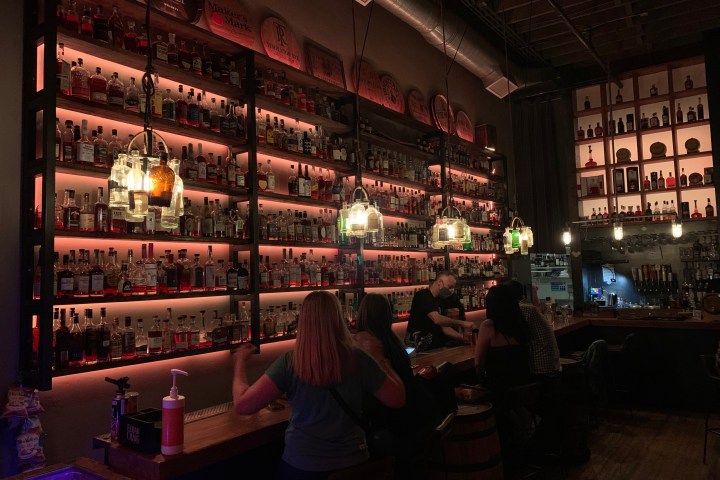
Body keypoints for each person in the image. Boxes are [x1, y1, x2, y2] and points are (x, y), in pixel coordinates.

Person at [232, 291, 406, 479]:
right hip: (353, 463)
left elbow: (243, 405)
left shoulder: (291, 361)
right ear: (339, 319)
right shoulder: (358, 358)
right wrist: (379, 358)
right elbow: (398, 398)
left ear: (303, 321)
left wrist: (240, 362)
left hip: (303, 464)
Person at [355, 294, 449, 479]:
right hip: (418, 418)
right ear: (387, 314)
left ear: (362, 314)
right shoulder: (394, 340)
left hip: (397, 427)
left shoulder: (366, 343)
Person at [474, 284, 531, 396]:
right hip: (524, 383)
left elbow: (478, 363)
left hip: (500, 390)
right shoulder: (520, 323)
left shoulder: (489, 326)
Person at [506, 280, 560, 379]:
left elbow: (512, 335)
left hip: (541, 369)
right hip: (550, 365)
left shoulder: (523, 309)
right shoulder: (528, 307)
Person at [406, 272, 475, 350]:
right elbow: (437, 319)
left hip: (433, 349)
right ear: (440, 283)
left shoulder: (439, 301)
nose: (451, 290)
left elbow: (444, 327)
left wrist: (464, 338)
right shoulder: (423, 295)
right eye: (449, 287)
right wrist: (462, 323)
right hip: (417, 349)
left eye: (453, 288)